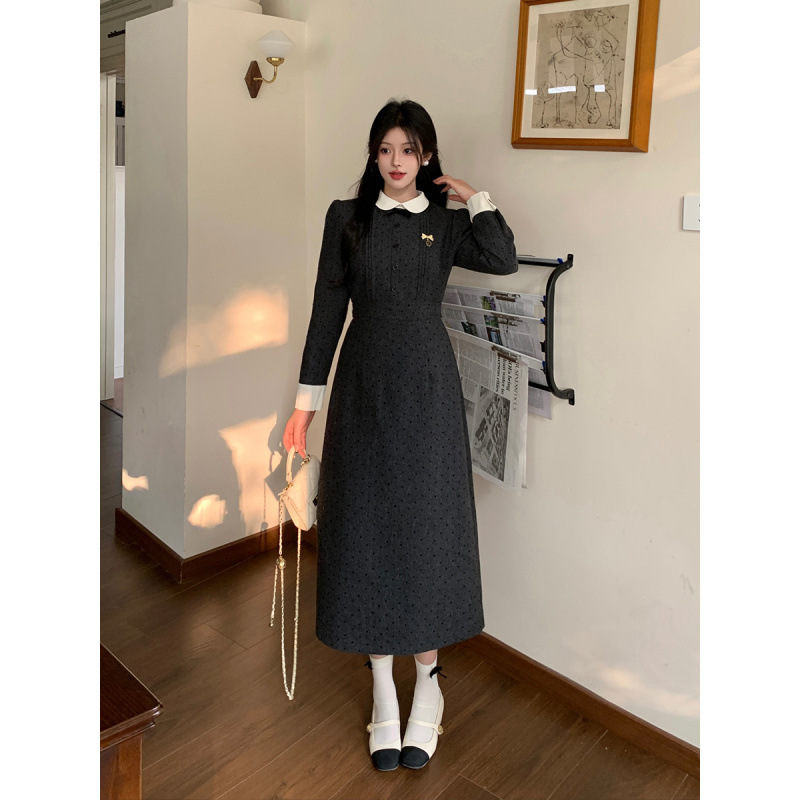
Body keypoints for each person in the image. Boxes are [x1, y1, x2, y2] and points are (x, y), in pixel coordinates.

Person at [282, 98, 518, 772]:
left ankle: (429, 685)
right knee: (364, 529)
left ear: (427, 156)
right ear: (373, 154)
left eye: (408, 150)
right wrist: (305, 405)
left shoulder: (445, 222)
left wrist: (476, 198)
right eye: (386, 149)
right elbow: (327, 311)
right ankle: (383, 688)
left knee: (424, 530)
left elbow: (502, 258)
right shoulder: (346, 218)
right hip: (361, 387)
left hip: (427, 389)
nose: (395, 162)